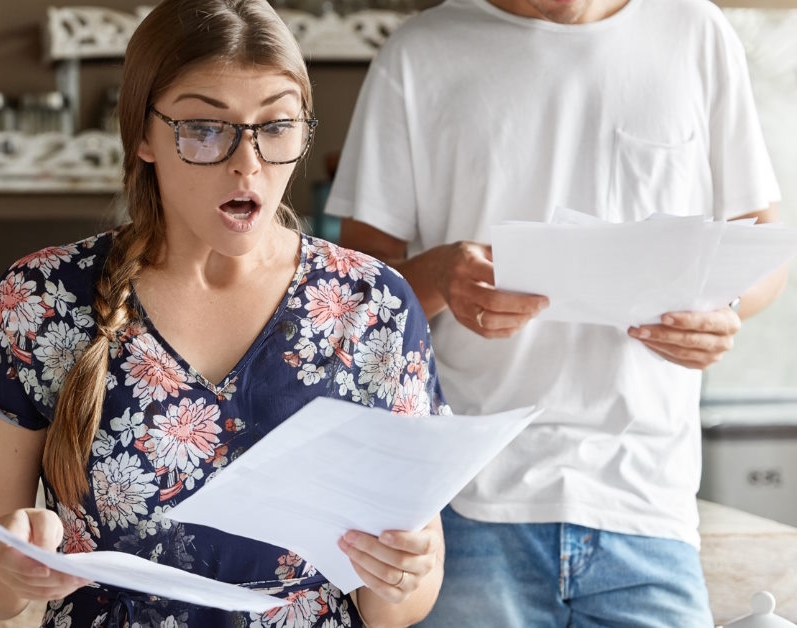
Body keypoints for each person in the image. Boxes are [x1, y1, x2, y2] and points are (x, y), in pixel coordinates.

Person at [0, 0, 453, 625]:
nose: (248, 162)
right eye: (206, 129)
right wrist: (6, 564)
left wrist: (404, 572)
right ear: (143, 136)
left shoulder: (375, 306)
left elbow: (397, 607)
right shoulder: (43, 297)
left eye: (277, 125)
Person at [325, 0, 789, 625]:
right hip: (465, 506)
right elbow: (350, 293)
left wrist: (723, 306)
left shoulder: (695, 31)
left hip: (648, 504)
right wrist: (436, 276)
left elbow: (762, 248)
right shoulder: (419, 52)